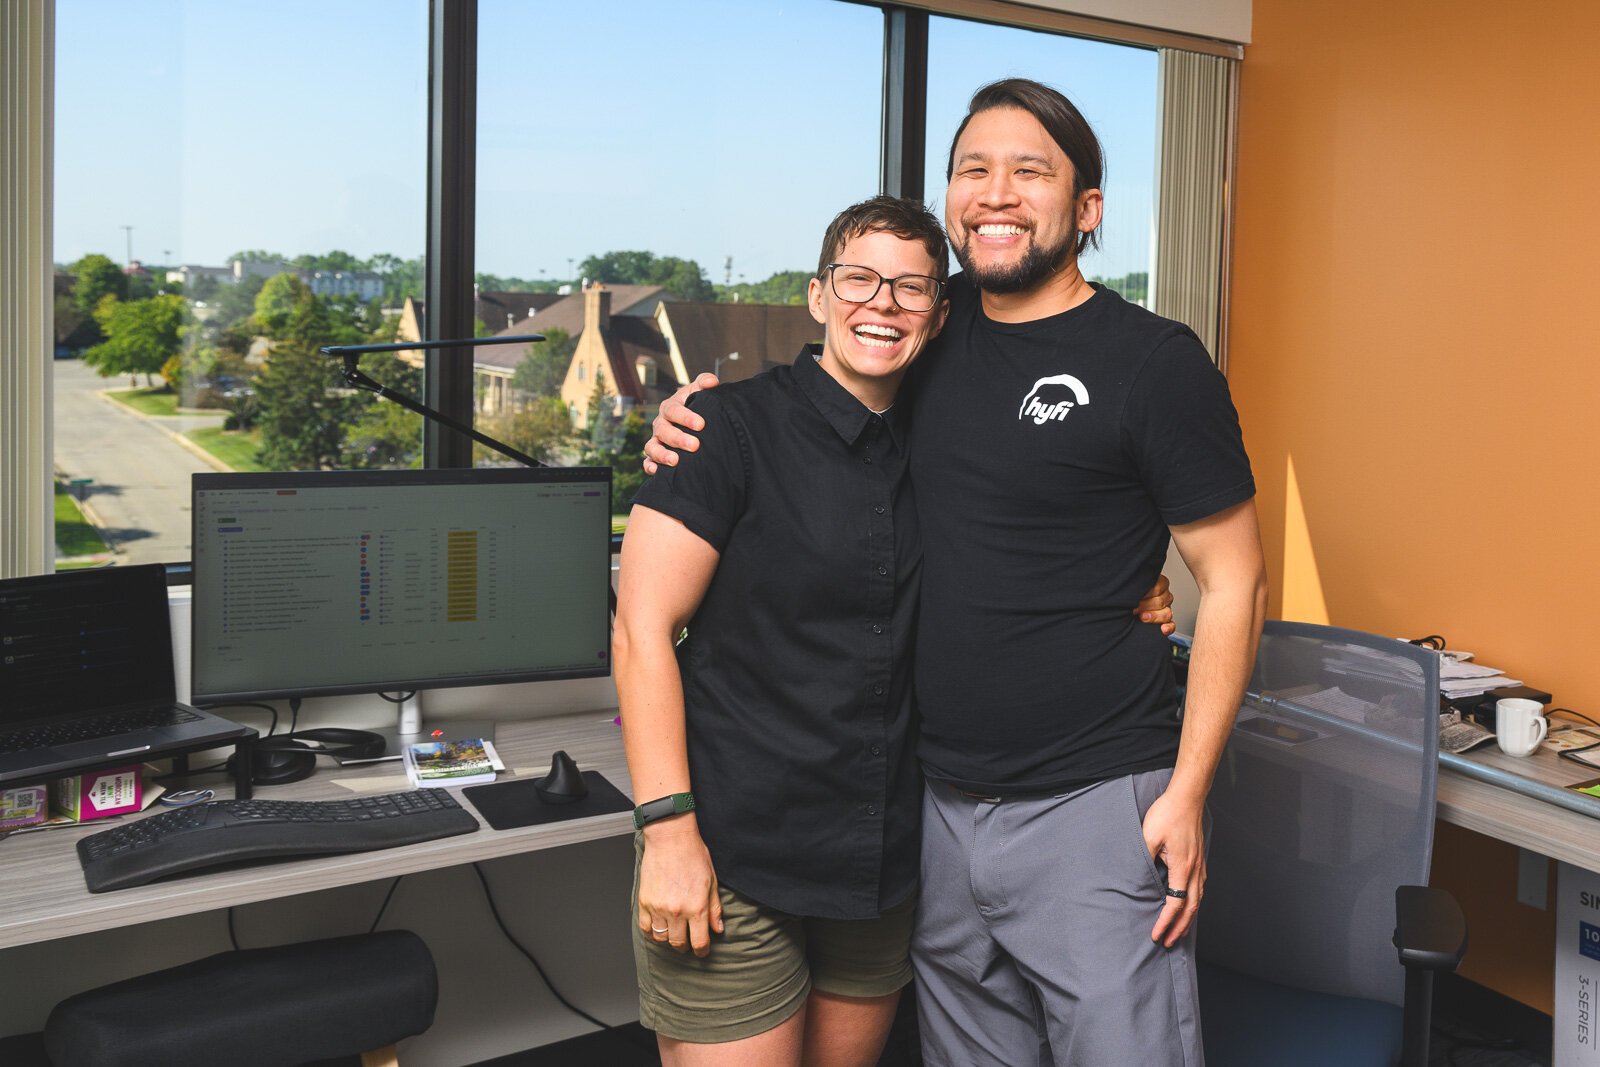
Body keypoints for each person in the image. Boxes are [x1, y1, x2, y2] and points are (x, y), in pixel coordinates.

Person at [645, 78, 1268, 1066]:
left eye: (1030, 170)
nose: (996, 191)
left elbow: (1233, 579)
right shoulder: (929, 339)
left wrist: (1186, 789)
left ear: (1087, 209)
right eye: (973, 169)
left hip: (1096, 801)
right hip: (929, 809)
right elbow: (810, 407)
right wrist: (686, 421)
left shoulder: (1154, 361)